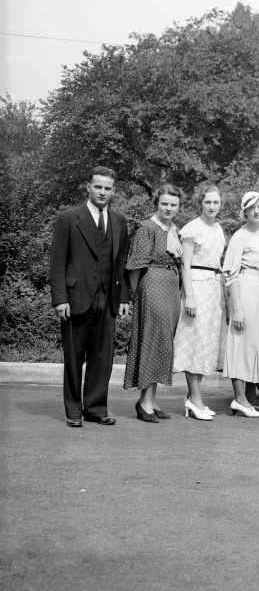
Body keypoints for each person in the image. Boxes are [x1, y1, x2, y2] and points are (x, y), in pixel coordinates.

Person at [48, 166, 131, 427]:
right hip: (76, 299)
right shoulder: (68, 218)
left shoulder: (119, 221)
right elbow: (57, 262)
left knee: (102, 358)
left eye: (107, 188)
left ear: (113, 191)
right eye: (98, 186)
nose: (102, 192)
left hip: (108, 300)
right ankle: (73, 410)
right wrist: (60, 298)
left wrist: (124, 298)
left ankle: (95, 408)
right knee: (74, 358)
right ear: (89, 187)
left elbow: (121, 264)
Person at [124, 184, 184, 423]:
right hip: (152, 287)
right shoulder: (148, 229)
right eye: (164, 204)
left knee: (163, 343)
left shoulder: (173, 229)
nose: (169, 208)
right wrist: (137, 294)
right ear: (156, 204)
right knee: (152, 341)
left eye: (173, 205)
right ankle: (144, 402)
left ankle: (150, 399)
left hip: (170, 289)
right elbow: (135, 267)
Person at [172, 185, 226, 420]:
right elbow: (185, 265)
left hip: (213, 287)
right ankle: (195, 399)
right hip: (197, 285)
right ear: (200, 203)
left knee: (205, 343)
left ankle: (194, 398)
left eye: (215, 202)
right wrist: (190, 296)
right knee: (194, 342)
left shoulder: (219, 228)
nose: (212, 207)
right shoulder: (192, 229)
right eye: (208, 202)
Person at [222, 191, 259, 418]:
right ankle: (239, 398)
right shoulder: (239, 236)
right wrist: (237, 308)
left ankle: (252, 396)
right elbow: (230, 274)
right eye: (251, 207)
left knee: (256, 344)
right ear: (245, 211)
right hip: (245, 287)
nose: (256, 211)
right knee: (241, 342)